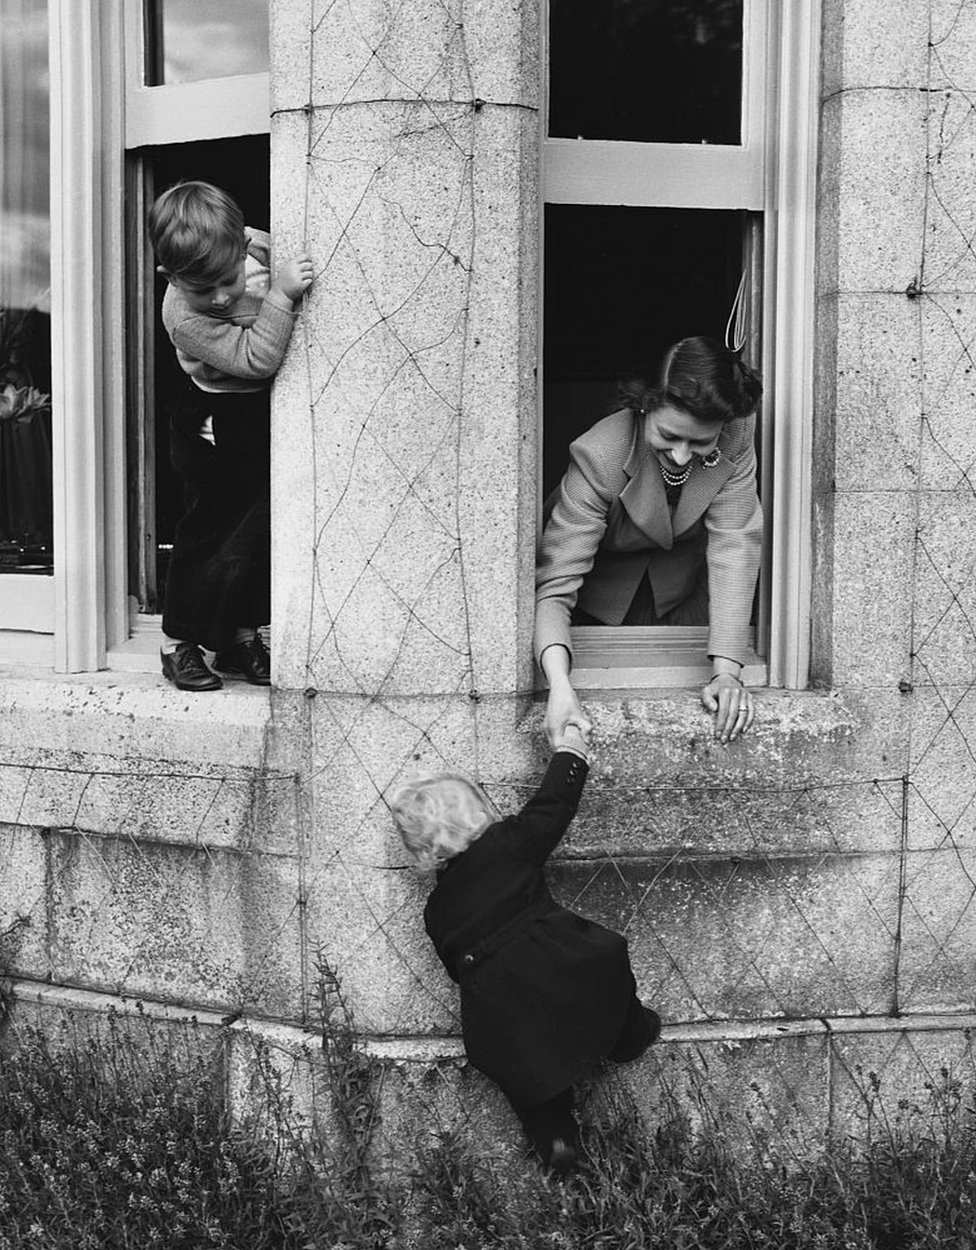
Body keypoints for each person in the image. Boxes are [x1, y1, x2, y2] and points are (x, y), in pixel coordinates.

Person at [390, 724, 661, 1176]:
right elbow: (552, 806)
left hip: (498, 1005)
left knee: (528, 1082)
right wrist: (570, 753)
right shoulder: (507, 845)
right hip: (563, 967)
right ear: (475, 815)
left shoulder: (436, 908)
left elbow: (456, 967)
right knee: (607, 975)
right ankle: (629, 1035)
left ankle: (556, 1142)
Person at [535, 336, 763, 745]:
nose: (680, 455)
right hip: (600, 597)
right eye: (670, 436)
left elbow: (735, 542)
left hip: (682, 592)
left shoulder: (736, 434)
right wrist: (559, 687)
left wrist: (728, 671)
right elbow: (555, 585)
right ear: (644, 405)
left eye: (699, 442)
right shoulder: (599, 453)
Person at [147, 180, 315, 691]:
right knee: (210, 531)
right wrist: (283, 295)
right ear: (170, 277)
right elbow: (255, 360)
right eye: (202, 289)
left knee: (256, 530)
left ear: (241, 247)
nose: (220, 297)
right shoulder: (184, 317)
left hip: (251, 417)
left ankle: (238, 638)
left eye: (226, 279)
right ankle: (181, 644)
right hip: (211, 419)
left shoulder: (256, 247)